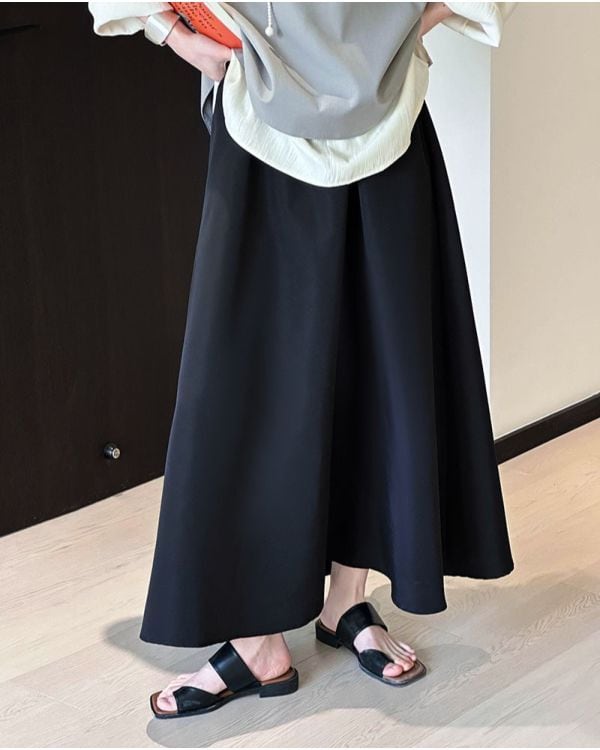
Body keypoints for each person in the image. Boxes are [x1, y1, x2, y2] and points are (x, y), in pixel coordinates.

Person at [88, 1, 517, 720]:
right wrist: (179, 38)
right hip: (260, 107)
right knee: (250, 380)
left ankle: (347, 601)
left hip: (386, 113)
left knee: (377, 361)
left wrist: (407, 27)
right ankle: (256, 639)